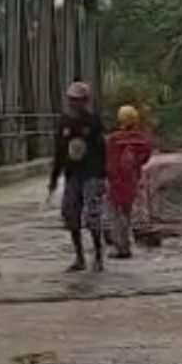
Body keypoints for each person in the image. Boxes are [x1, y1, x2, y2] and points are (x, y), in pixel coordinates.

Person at [49, 81, 108, 273]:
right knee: (70, 214)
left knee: (92, 216)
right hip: (73, 175)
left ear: (86, 101)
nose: (74, 104)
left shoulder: (93, 122)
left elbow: (102, 149)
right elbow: (59, 151)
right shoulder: (63, 123)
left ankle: (98, 256)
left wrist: (105, 174)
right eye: (72, 100)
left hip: (91, 174)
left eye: (78, 100)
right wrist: (54, 178)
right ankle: (79, 258)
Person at [105, 105, 154, 260]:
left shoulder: (113, 139)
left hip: (115, 181)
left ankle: (122, 247)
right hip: (132, 180)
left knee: (114, 214)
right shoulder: (142, 140)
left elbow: (106, 160)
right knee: (126, 212)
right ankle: (125, 244)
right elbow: (145, 158)